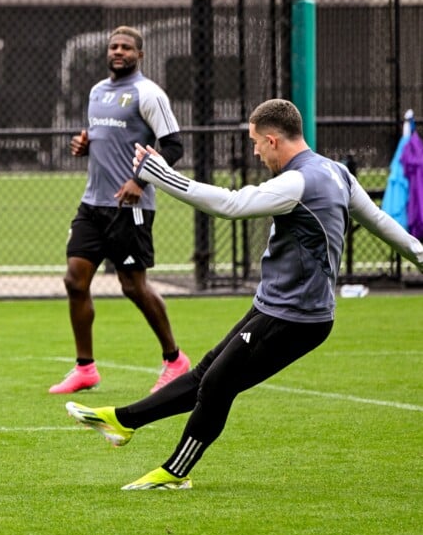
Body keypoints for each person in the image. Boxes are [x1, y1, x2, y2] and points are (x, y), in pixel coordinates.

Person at [65, 98, 423, 489]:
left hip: (297, 316)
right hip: (274, 305)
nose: (254, 151)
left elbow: (231, 205)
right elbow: (382, 222)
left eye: (255, 142)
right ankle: (123, 421)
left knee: (218, 383)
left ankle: (174, 473)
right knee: (205, 374)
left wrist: (161, 175)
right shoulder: (336, 172)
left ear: (272, 140)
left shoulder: (298, 181)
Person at [49, 25, 190, 395]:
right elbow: (102, 137)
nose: (118, 52)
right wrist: (84, 143)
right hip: (92, 204)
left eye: (126, 47)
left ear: (139, 55)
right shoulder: (97, 91)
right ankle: (85, 369)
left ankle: (175, 360)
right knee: (74, 281)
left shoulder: (149, 93)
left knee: (133, 286)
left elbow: (174, 146)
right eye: (114, 46)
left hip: (131, 206)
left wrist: (140, 181)